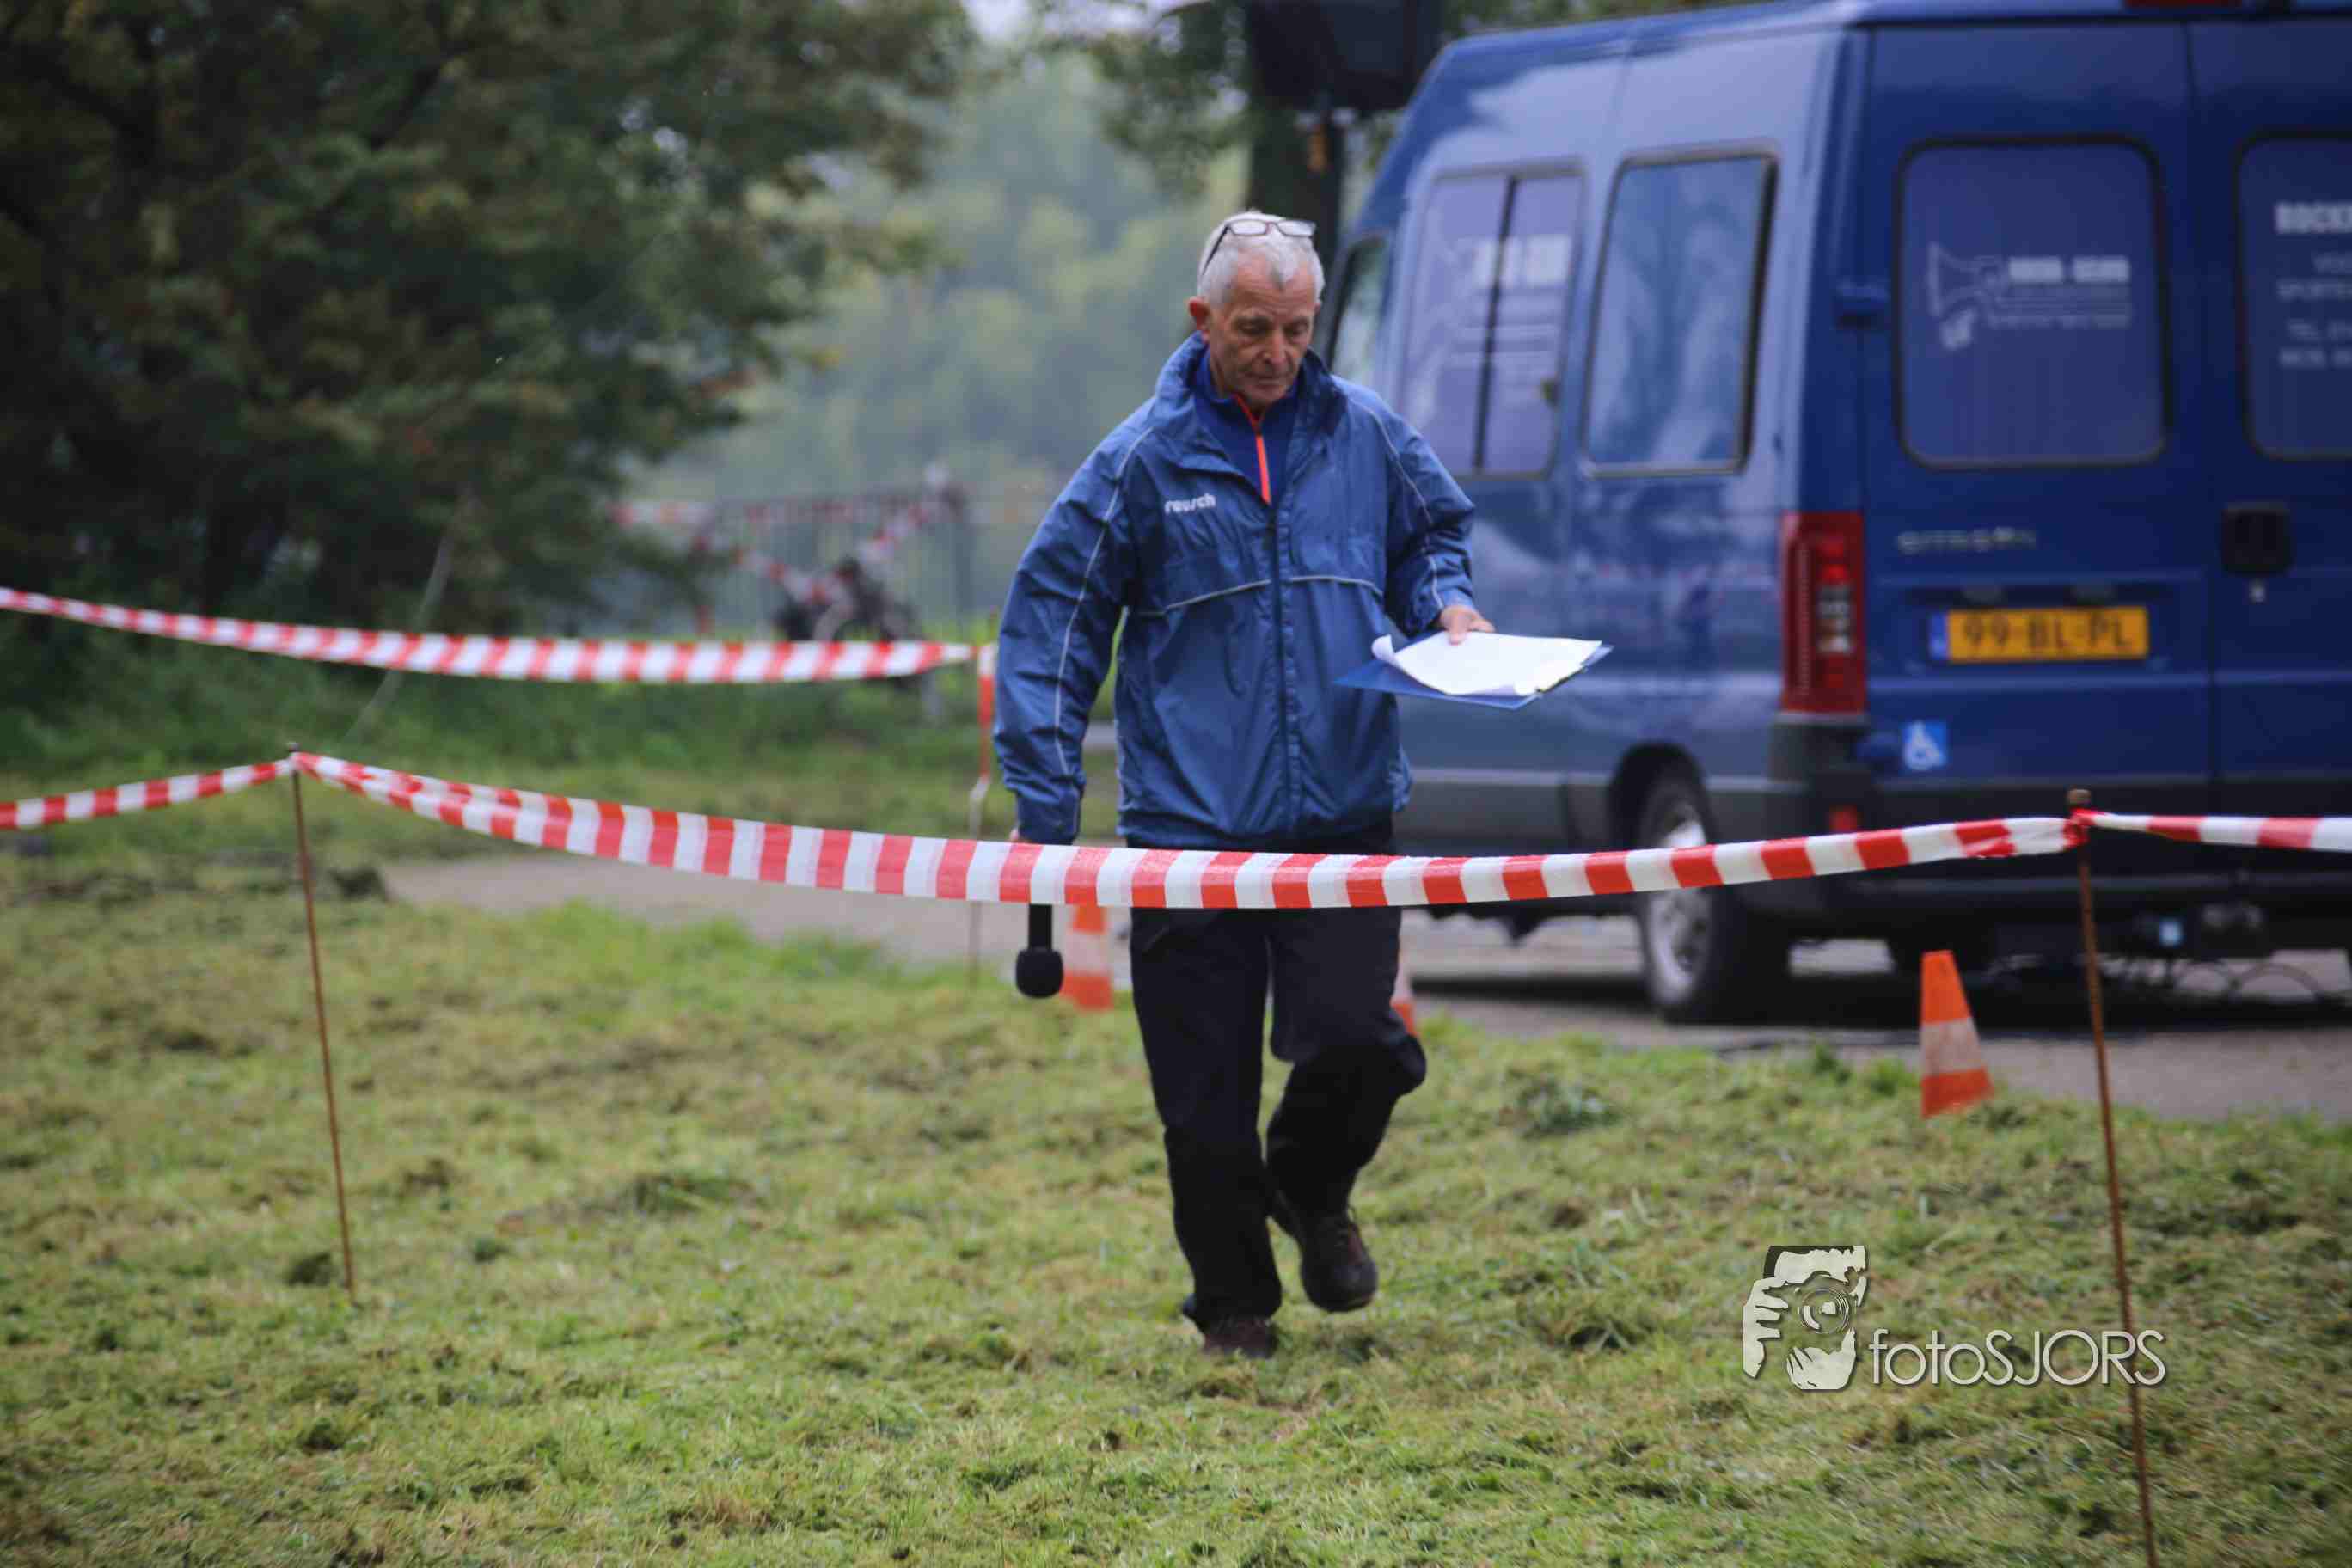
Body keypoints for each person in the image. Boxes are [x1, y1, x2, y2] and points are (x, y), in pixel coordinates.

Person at [993, 211, 1492, 1358]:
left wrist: (1449, 606)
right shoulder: (1139, 464)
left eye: (1298, 330)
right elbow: (1055, 628)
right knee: (1201, 1098)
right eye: (1255, 329)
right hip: (1189, 835)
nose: (1277, 353)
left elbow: (1429, 541)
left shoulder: (1367, 435)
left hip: (1343, 821)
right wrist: (1047, 812)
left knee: (1365, 1047)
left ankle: (1310, 1186)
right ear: (1203, 318)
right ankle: (1233, 1310)